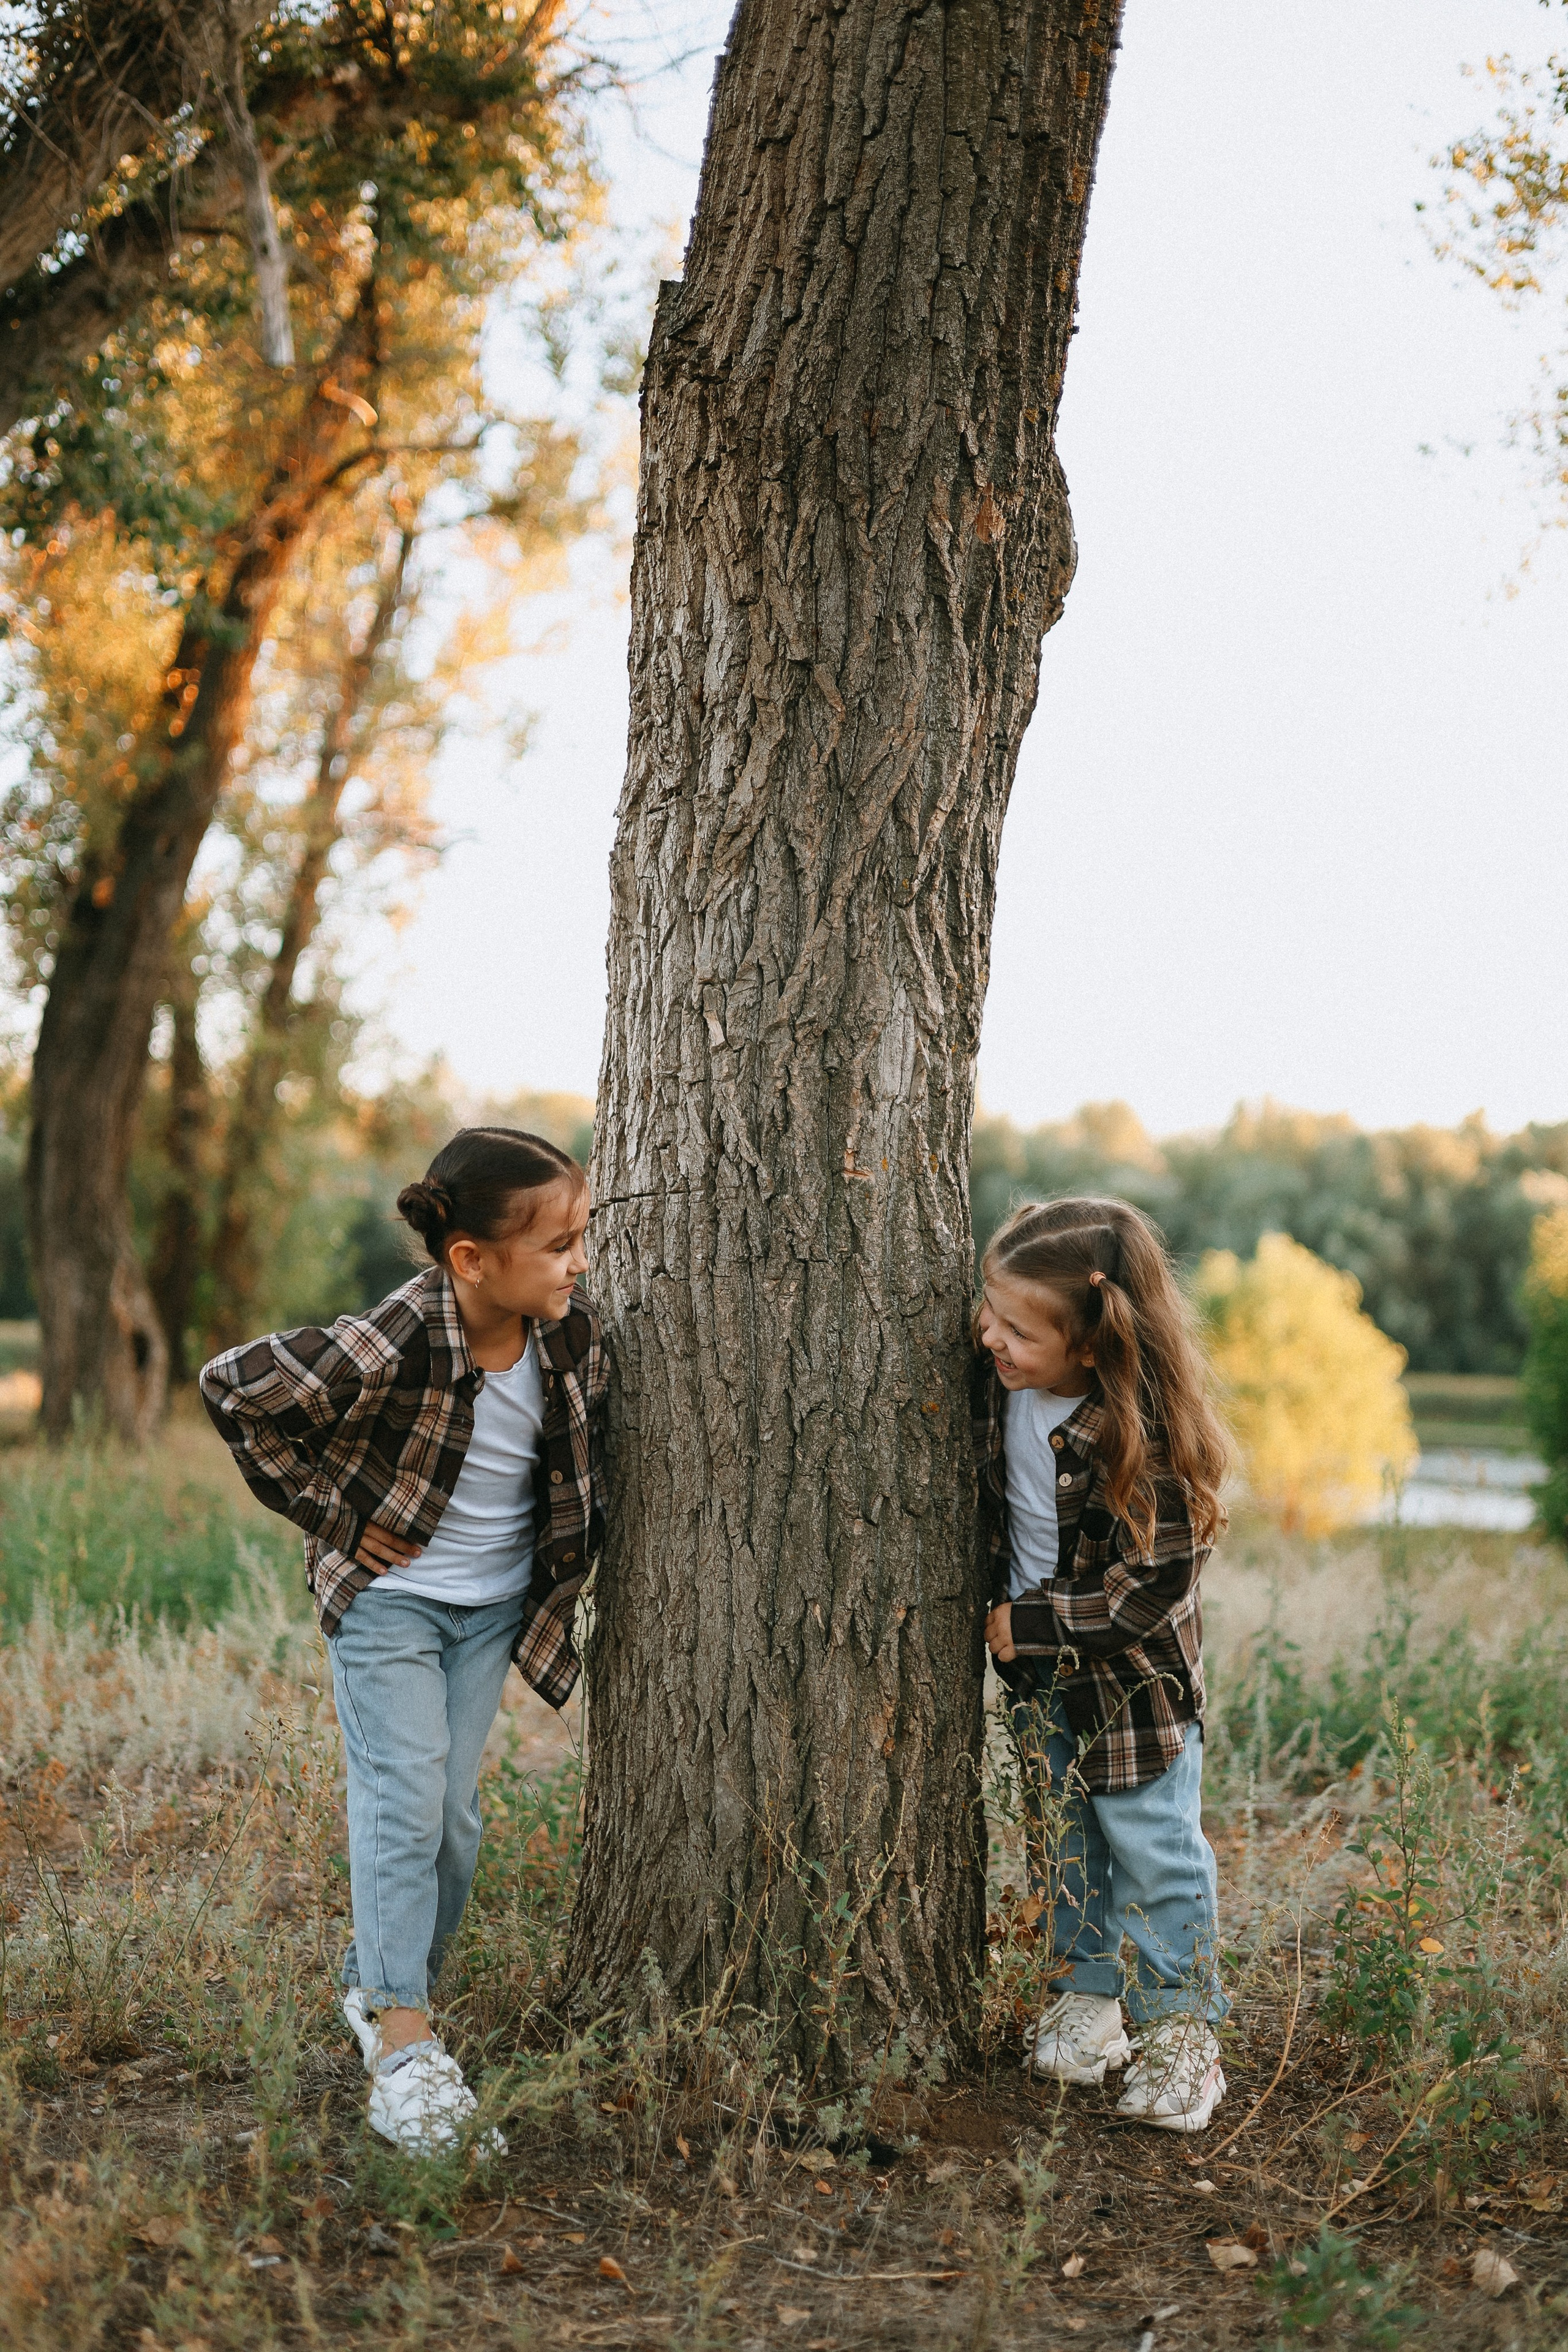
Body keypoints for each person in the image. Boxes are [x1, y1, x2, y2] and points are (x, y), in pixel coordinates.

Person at [200, 1126, 603, 2154]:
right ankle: (403, 2046)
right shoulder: (396, 1335)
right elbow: (233, 1386)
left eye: (581, 1236)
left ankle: (380, 1980)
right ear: (470, 1259)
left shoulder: (570, 1335)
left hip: (491, 1610)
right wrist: (331, 1514)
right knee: (403, 1801)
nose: (580, 1262)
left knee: (453, 1823)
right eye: (559, 1245)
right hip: (390, 1600)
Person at [975, 1196, 1231, 2132]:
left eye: (1017, 1330)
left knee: (1156, 1852)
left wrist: (1035, 1622)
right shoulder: (999, 1382)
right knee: (1064, 1836)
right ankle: (1089, 2001)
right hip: (1042, 1678)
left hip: (1133, 1691)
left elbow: (1154, 1584)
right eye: (989, 1313)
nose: (991, 1338)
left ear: (1091, 1345)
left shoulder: (1145, 1437)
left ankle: (1181, 2035)